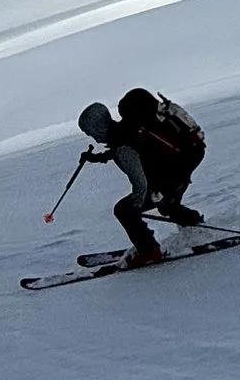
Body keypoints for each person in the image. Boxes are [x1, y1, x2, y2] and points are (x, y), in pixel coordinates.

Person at [74, 89, 209, 263]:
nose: (92, 137)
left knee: (123, 210)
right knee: (167, 204)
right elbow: (130, 152)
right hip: (178, 166)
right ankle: (195, 225)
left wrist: (136, 205)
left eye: (91, 132)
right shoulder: (126, 131)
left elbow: (138, 180)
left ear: (98, 129)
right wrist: (98, 158)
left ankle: (149, 251)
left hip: (171, 174)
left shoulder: (122, 142)